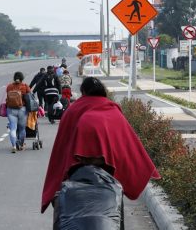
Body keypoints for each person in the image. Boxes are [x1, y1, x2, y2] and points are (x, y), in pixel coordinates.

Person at [41, 77, 160, 214]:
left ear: (83, 91)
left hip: (76, 172)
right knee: (112, 213)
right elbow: (126, 144)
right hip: (107, 173)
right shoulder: (112, 110)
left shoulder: (72, 110)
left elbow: (62, 146)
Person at [6, 71, 31, 153]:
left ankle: (13, 145)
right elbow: (30, 97)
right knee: (22, 129)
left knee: (13, 128)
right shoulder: (25, 86)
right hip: (22, 109)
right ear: (22, 78)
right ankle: (20, 144)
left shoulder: (9, 86)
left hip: (11, 109)